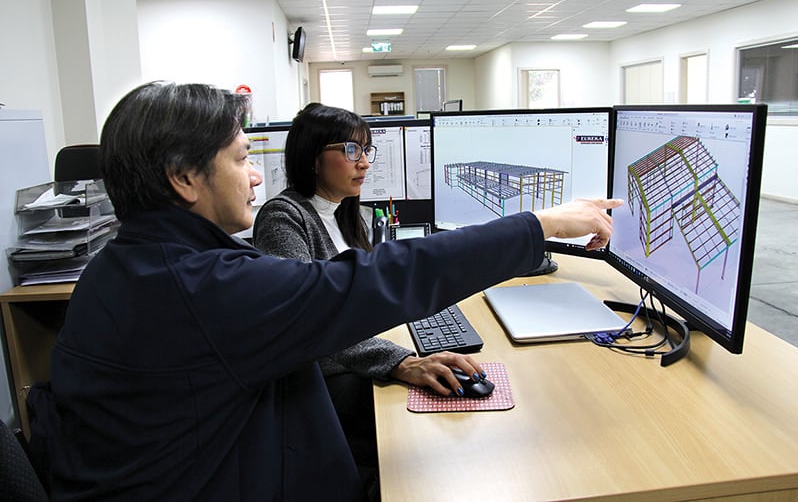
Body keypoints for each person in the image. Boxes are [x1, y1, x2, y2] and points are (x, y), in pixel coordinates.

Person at [39, 80, 621, 501]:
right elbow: (374, 280)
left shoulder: (127, 266)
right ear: (184, 177)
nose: (256, 174)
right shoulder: (198, 288)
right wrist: (539, 226)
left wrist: (396, 364)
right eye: (242, 159)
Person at [251, 103, 484, 491]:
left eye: (366, 150)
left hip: (355, 361)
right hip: (322, 384)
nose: (364, 163)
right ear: (312, 158)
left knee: (457, 397)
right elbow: (312, 321)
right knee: (437, 426)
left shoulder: (344, 214)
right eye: (351, 150)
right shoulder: (283, 217)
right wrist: (402, 361)